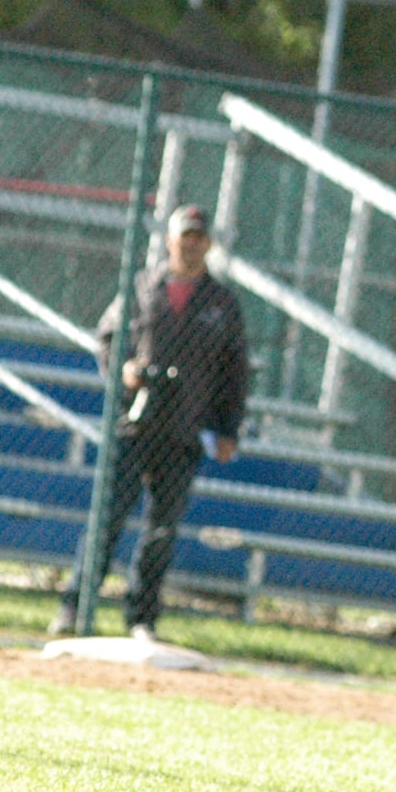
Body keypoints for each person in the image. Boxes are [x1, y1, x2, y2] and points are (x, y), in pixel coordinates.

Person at [48, 204, 249, 641]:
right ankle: (75, 608)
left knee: (162, 529)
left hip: (184, 428)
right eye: (184, 236)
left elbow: (235, 373)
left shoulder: (222, 303)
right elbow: (107, 340)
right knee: (107, 518)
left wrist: (228, 429)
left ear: (208, 243)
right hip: (134, 422)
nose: (191, 244)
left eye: (199, 237)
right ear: (170, 240)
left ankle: (141, 617)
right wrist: (124, 371)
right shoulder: (142, 287)